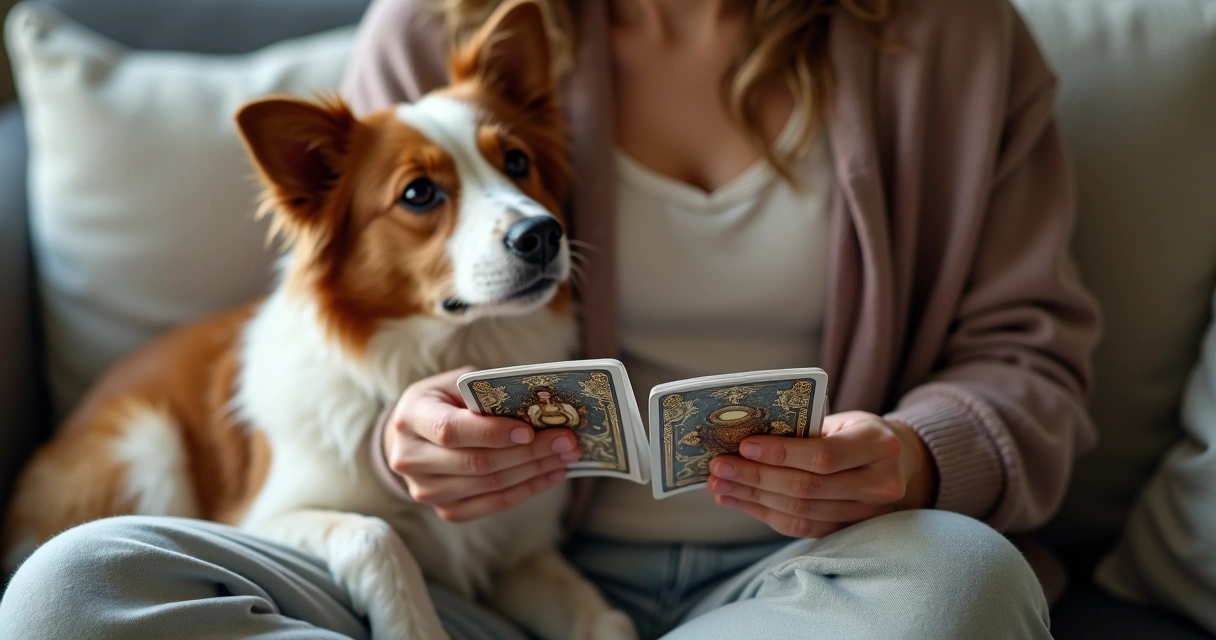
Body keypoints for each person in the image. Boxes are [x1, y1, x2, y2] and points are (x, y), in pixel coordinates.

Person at [0, 0, 1101, 638]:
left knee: (969, 580)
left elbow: (1029, 353)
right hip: (467, 587)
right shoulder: (448, 22)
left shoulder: (953, 36)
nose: (518, 214)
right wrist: (409, 433)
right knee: (70, 588)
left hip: (817, 580)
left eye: (521, 171)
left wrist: (915, 457)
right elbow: (375, 264)